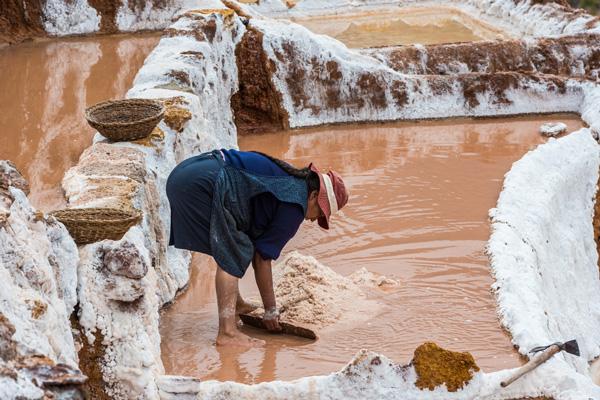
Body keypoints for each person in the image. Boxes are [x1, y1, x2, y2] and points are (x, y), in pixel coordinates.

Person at [166, 149, 349, 347]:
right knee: (234, 251)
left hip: (188, 173)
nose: (314, 219)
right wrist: (271, 309)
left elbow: (257, 247)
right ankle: (227, 333)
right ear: (313, 196)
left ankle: (236, 304)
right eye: (320, 212)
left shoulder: (291, 181)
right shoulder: (294, 205)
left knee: (234, 242)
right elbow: (262, 259)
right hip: (202, 183)